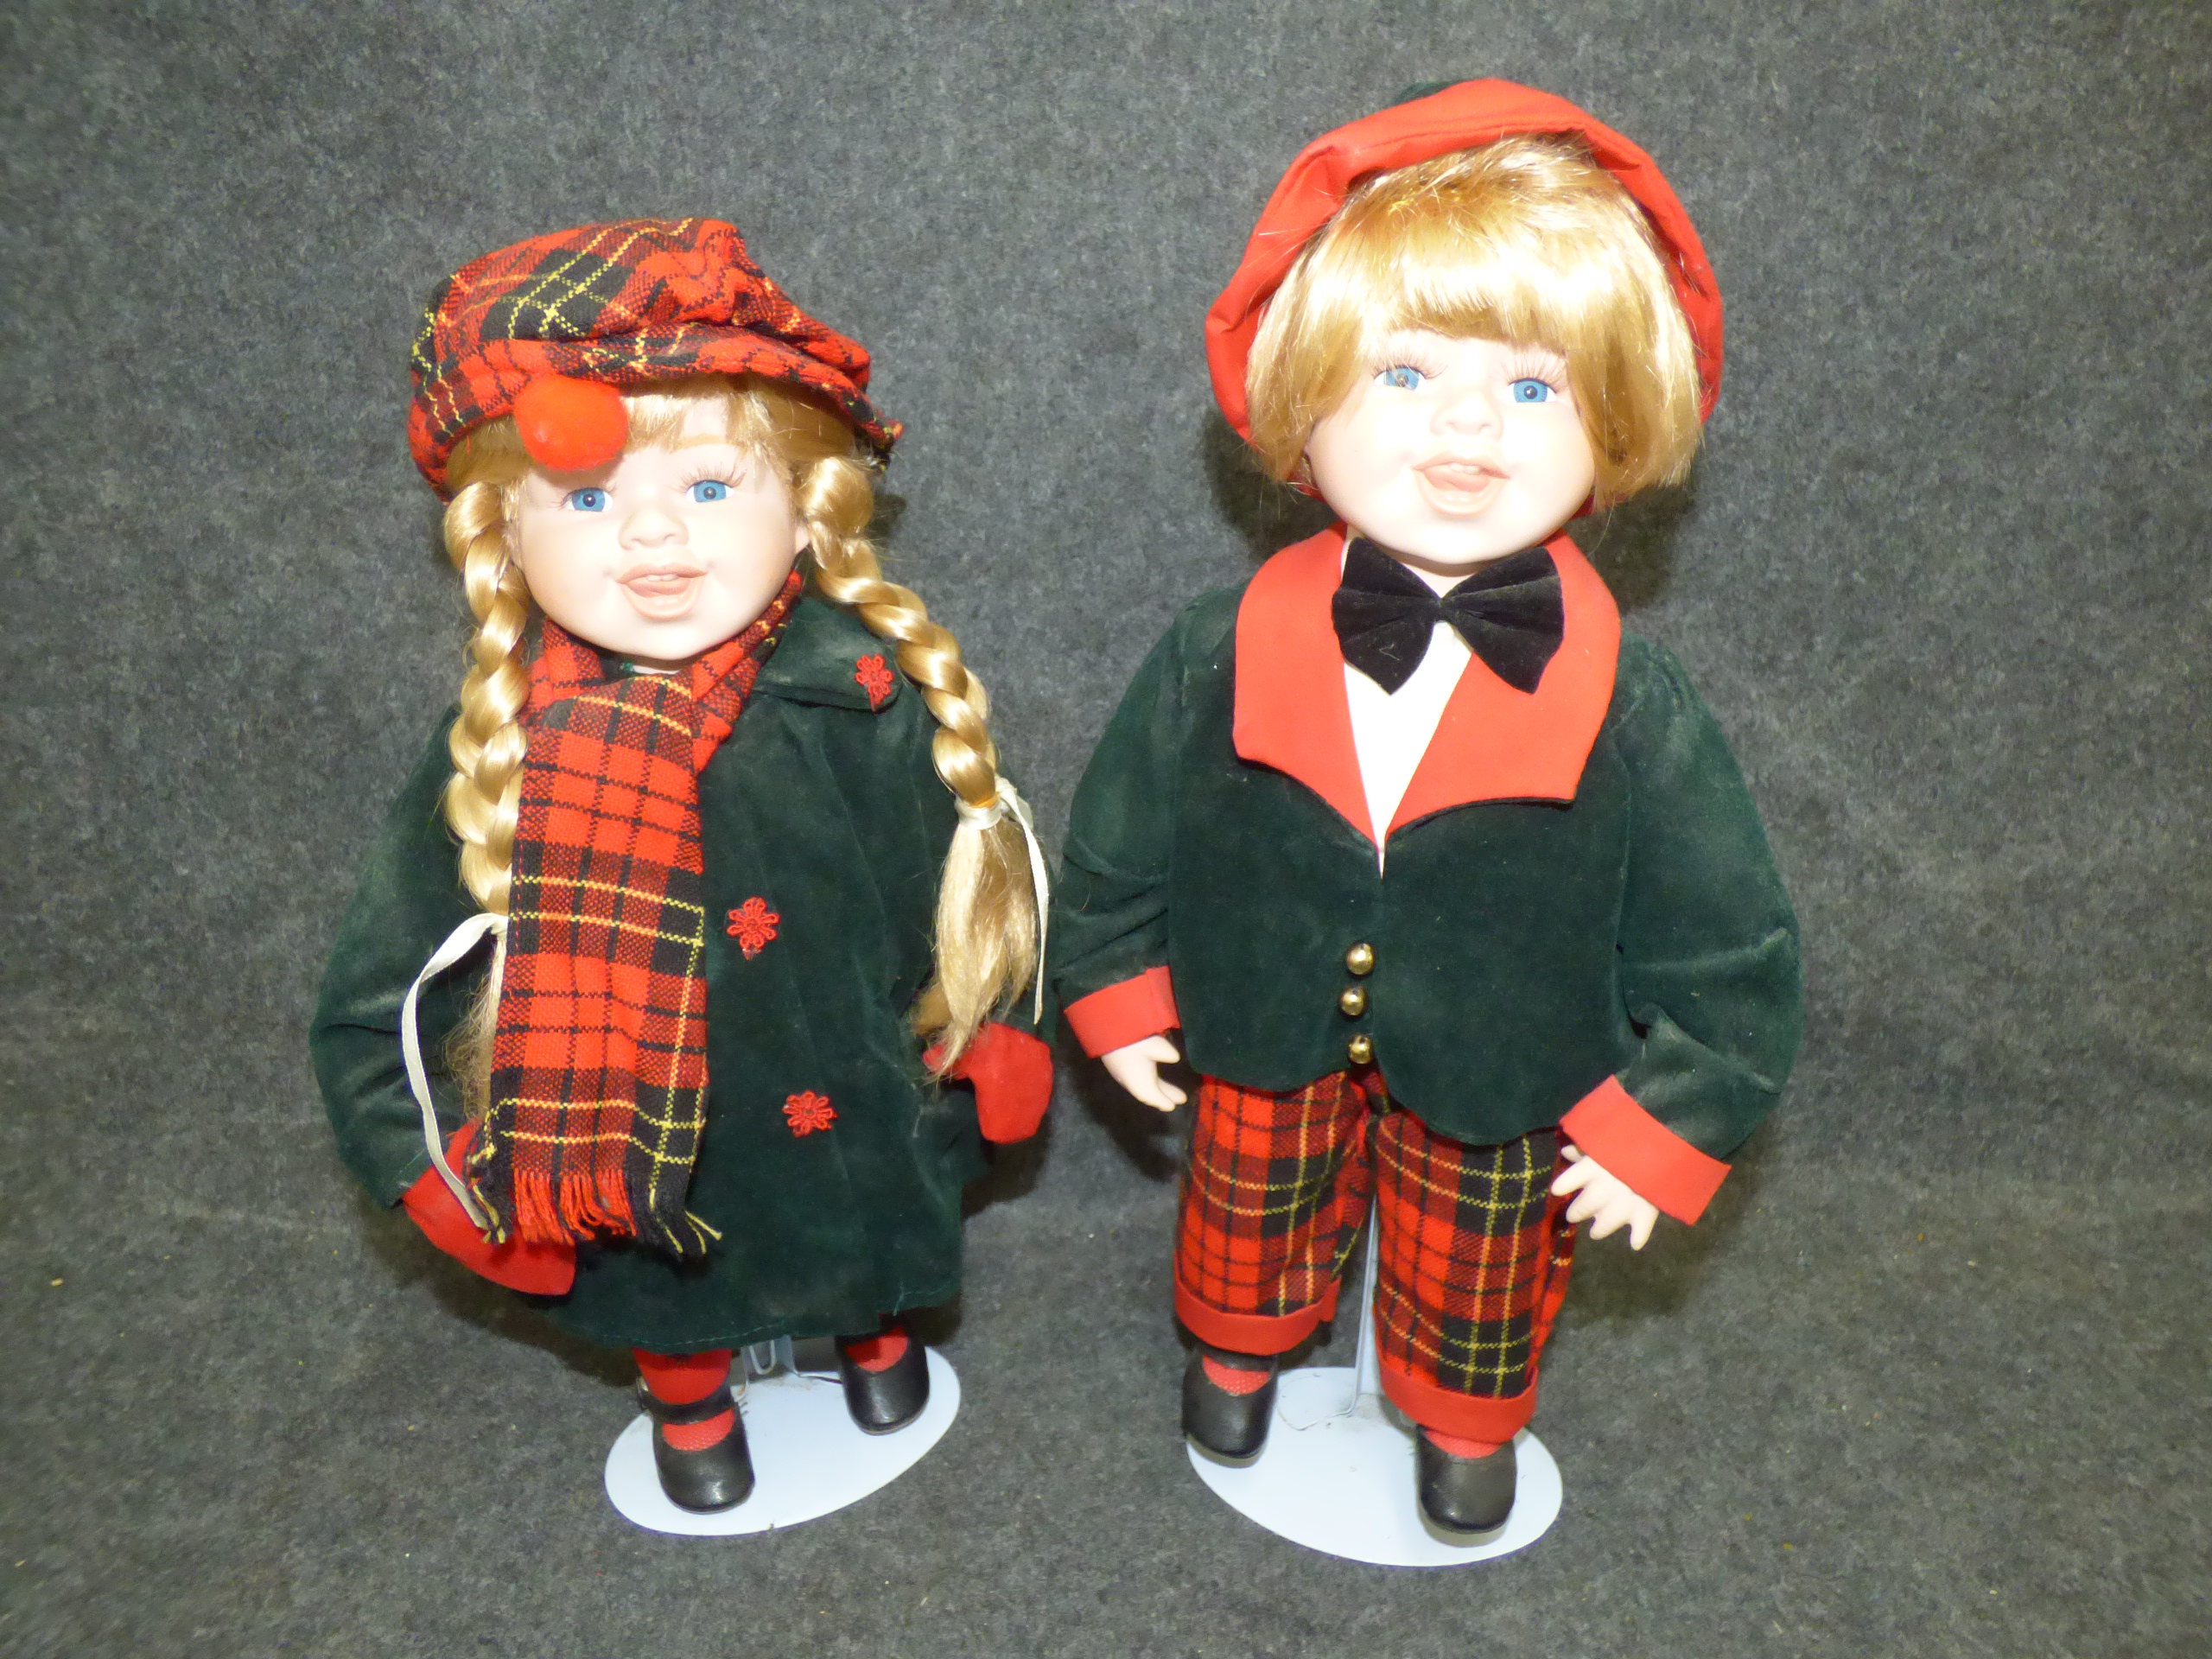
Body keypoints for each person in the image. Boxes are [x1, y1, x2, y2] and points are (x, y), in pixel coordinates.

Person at [1050, 82, 1802, 1541]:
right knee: (1247, 1217)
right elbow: (1118, 835)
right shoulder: (1220, 645)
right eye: (1403, 372)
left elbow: (1728, 940)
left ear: (1616, 426)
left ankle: (1464, 1422)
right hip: (1260, 1023)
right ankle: (1239, 1355)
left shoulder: (1632, 700)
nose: (1467, 424)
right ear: (1301, 398)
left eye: (1534, 388)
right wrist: (1118, 989)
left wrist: (1665, 1124)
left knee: (1482, 1266)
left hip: (1508, 1067)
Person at [312, 219, 1052, 1514]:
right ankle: (692, 1397)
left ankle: (874, 1334)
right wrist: (429, 1163)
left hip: (850, 1089)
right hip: (649, 1140)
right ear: (505, 536)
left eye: (708, 488)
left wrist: (996, 1034)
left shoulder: (862, 696)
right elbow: (385, 995)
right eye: (588, 499)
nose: (652, 538)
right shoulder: (503, 751)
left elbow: (970, 886)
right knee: (668, 1271)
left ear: (804, 508)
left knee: (863, 1213)